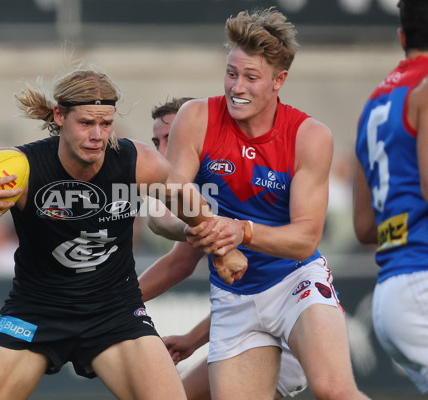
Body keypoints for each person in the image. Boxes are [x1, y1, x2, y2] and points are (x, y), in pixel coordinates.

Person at [0, 67, 241, 400]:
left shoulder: (138, 162)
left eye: (105, 124)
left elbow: (186, 200)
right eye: (86, 123)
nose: (98, 135)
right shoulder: (20, 167)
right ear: (59, 116)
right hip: (34, 311)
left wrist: (219, 244)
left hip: (115, 312)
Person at [144, 8, 369, 399]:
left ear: (279, 80)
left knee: (334, 391)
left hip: (296, 283)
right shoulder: (196, 116)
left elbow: (304, 240)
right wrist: (200, 229)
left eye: (251, 77)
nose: (237, 87)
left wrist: (237, 231)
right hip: (234, 298)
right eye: (232, 73)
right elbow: (165, 203)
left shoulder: (309, 136)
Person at [141, 97, 307, 399]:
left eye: (171, 137)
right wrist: (112, 303)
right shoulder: (202, 194)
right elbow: (177, 259)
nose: (163, 149)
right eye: (157, 141)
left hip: (288, 328)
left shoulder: (228, 182)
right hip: (254, 324)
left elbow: (261, 296)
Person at [353, 0, 428, 394]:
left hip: (392, 291)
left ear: (402, 37)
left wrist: (403, 227)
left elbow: (365, 227)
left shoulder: (372, 105)